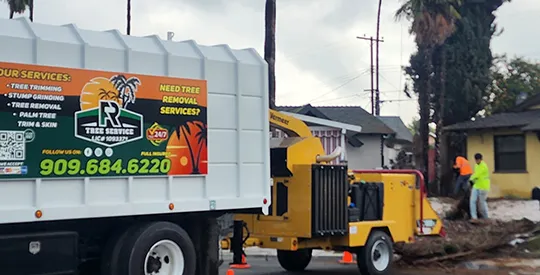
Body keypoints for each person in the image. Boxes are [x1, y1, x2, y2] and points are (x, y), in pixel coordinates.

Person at [469, 153, 490, 220]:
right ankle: (474, 217)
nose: (477, 161)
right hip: (476, 185)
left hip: (483, 187)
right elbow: (476, 174)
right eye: (476, 160)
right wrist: (472, 181)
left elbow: (477, 174)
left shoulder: (483, 166)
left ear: (481, 159)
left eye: (478, 160)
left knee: (482, 202)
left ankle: (486, 217)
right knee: (472, 201)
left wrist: (471, 179)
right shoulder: (476, 165)